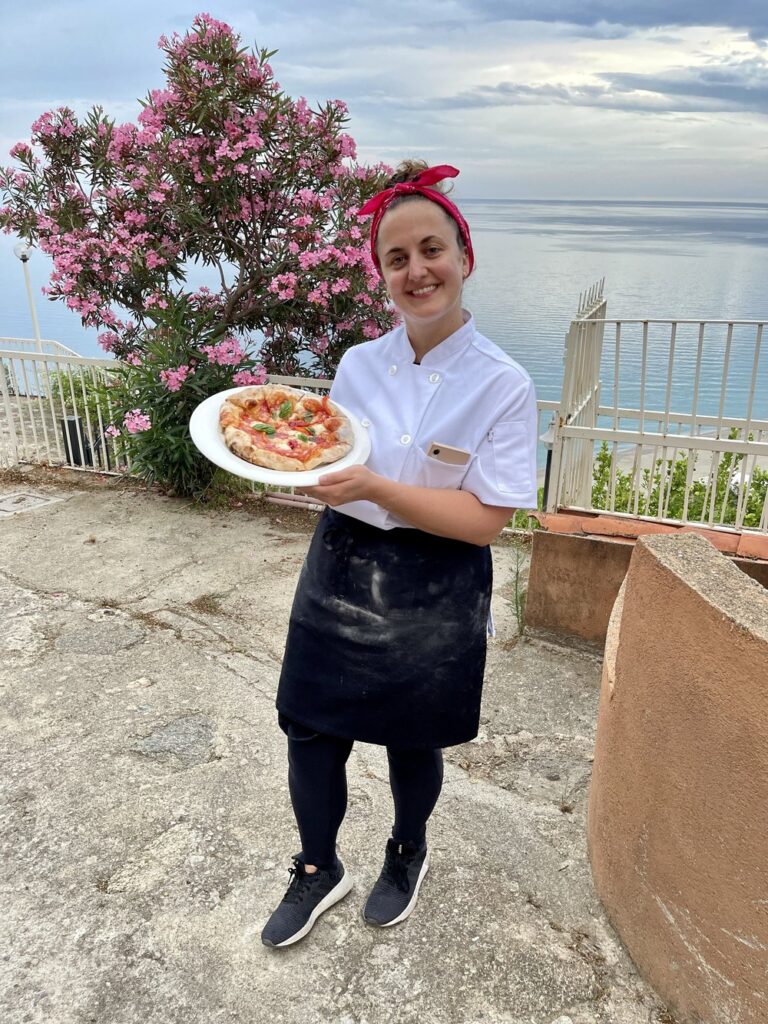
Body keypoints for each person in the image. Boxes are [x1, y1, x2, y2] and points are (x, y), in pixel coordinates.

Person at [261, 162, 538, 948]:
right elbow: (330, 458)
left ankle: (407, 851)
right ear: (381, 275)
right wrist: (301, 471)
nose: (418, 271)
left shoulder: (505, 385)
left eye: (432, 249)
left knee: (413, 736)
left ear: (464, 255)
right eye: (397, 259)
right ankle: (319, 869)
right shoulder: (357, 365)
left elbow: (484, 519)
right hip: (344, 558)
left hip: (440, 575)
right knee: (310, 727)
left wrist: (377, 487)